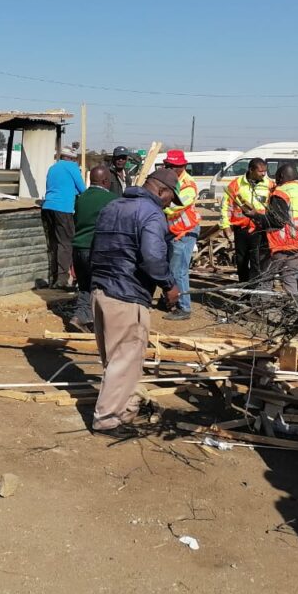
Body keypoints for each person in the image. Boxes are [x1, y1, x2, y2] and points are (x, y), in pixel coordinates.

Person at [88, 168, 181, 436]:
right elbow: (152, 258)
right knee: (125, 360)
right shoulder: (151, 213)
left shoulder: (112, 206)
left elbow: (94, 248)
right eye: (169, 199)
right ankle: (107, 420)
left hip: (102, 291)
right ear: (162, 191)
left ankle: (125, 410)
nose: (167, 205)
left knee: (116, 360)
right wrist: (168, 284)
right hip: (127, 295)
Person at [69, 165, 118, 332]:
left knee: (84, 286)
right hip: (96, 250)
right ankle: (102, 323)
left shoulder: (81, 198)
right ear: (105, 181)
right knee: (102, 287)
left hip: (78, 249)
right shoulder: (112, 199)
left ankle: (80, 317)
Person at [255, 163, 298, 295]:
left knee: (267, 276)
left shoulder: (280, 193)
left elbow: (277, 221)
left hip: (281, 243)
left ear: (280, 176)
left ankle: (262, 307)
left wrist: (256, 216)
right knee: (289, 277)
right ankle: (292, 308)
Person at [161, 150, 201, 320]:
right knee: (172, 268)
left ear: (182, 166)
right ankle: (174, 300)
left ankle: (184, 307)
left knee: (179, 271)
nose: (169, 169)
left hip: (185, 232)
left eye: (172, 166)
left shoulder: (188, 185)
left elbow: (175, 206)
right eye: (167, 165)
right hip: (174, 231)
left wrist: (158, 205)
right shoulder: (171, 179)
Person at [220, 158, 273, 282]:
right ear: (251, 170)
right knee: (241, 261)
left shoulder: (270, 185)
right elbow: (226, 206)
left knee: (257, 262)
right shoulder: (236, 184)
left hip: (260, 230)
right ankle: (244, 290)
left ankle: (254, 291)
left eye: (265, 171)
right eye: (260, 171)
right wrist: (225, 226)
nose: (263, 174)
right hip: (241, 230)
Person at [41, 143, 86, 288]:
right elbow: (82, 189)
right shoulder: (71, 167)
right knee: (66, 243)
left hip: (48, 207)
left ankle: (54, 277)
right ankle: (62, 280)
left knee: (54, 243)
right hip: (63, 208)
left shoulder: (52, 168)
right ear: (71, 158)